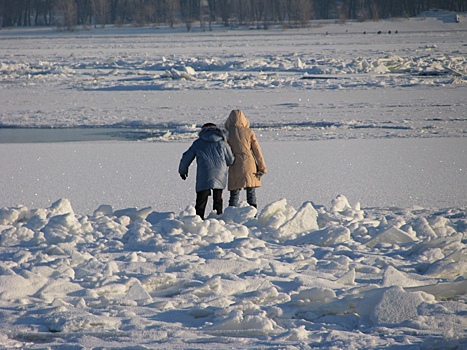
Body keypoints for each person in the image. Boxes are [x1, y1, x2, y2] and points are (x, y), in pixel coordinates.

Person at [179, 123, 234, 219]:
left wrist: (182, 171)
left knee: (201, 200)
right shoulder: (223, 143)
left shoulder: (198, 143)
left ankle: (198, 220)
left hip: (204, 174)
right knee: (218, 199)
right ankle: (217, 220)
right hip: (219, 174)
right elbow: (230, 160)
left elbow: (186, 157)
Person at [224, 109, 267, 209]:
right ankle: (253, 214)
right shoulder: (249, 132)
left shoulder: (227, 133)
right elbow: (257, 151)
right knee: (251, 193)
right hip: (249, 164)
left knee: (234, 194)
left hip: (234, 164)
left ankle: (230, 215)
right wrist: (262, 168)